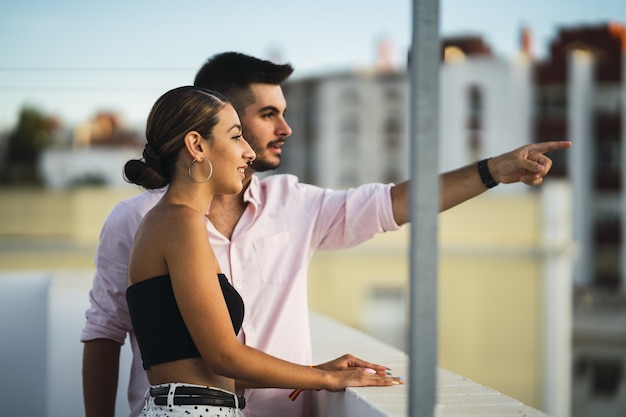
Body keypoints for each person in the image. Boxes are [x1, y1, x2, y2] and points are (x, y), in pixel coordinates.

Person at [81, 52, 572, 417]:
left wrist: (492, 171)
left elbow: (395, 202)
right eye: (265, 115)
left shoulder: (294, 202)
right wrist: (325, 375)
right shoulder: (154, 219)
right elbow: (112, 333)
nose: (286, 128)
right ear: (207, 125)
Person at [121, 85, 400, 417]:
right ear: (197, 146)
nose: (249, 153)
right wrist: (323, 377)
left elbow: (200, 363)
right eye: (236, 137)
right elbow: (223, 355)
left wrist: (314, 369)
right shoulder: (179, 223)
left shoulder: (170, 221)